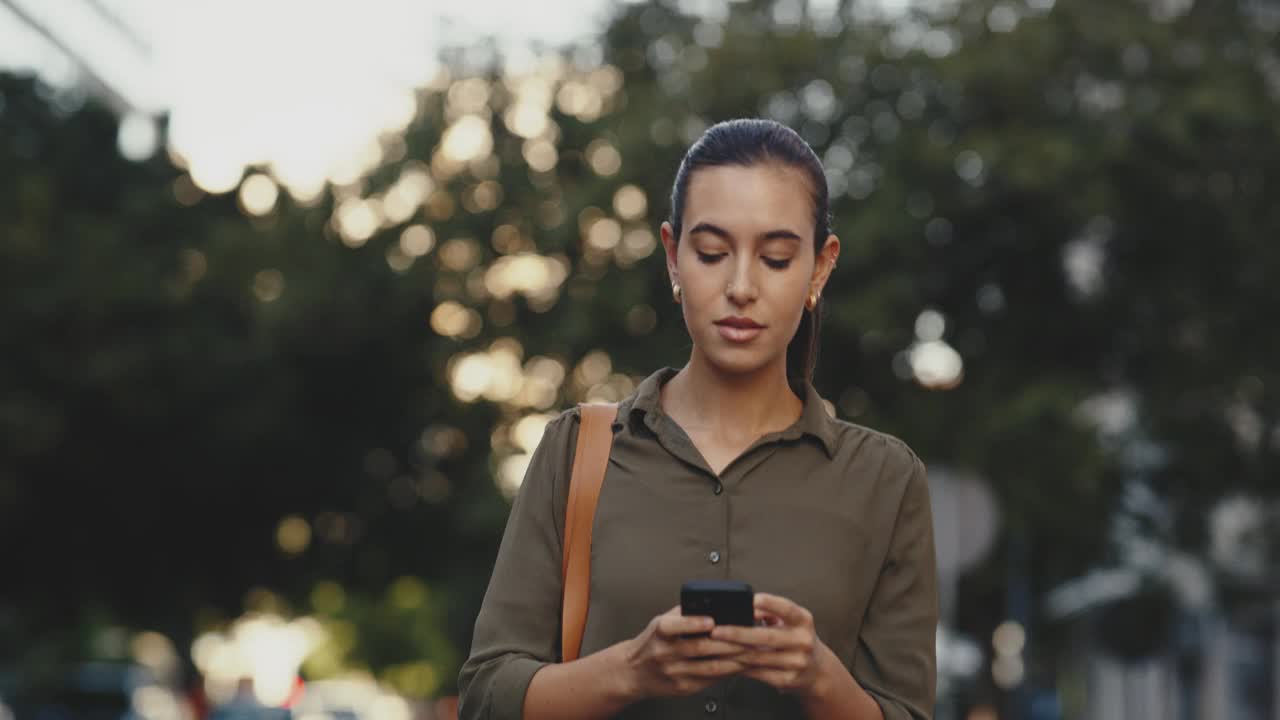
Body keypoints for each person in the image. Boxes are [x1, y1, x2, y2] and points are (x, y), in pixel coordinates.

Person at [458, 119, 937, 719]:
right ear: (673, 257)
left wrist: (821, 680)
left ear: (819, 268)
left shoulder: (886, 480)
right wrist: (632, 669)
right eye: (712, 253)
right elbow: (486, 696)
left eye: (777, 258)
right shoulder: (578, 449)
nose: (741, 286)